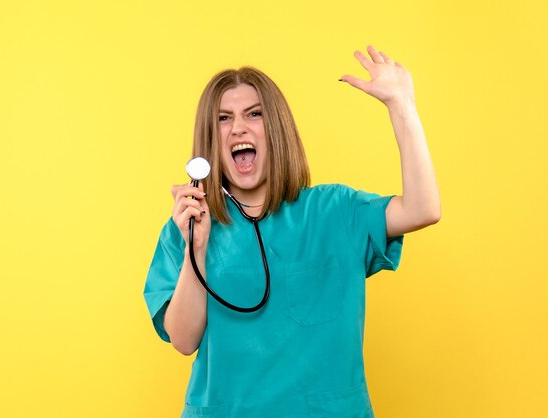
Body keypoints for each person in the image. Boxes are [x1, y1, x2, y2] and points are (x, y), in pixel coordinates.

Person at [143, 45, 441, 418]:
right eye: (223, 118)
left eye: (254, 114)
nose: (238, 127)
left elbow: (423, 209)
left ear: (276, 129)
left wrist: (402, 106)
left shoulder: (334, 211)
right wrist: (195, 248)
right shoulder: (186, 225)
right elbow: (183, 340)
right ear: (210, 141)